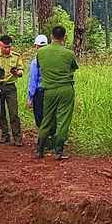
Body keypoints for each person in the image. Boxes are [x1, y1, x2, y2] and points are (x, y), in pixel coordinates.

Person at [34, 25, 78, 161]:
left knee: (47, 118)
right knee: (63, 119)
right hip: (65, 89)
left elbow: (39, 67)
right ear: (64, 38)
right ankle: (58, 152)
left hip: (49, 90)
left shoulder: (41, 53)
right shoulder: (68, 53)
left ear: (51, 36)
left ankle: (39, 151)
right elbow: (73, 68)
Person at [0, 34, 25, 146]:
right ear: (0, 46)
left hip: (10, 87)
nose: (7, 49)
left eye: (9, 47)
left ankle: (17, 138)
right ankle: (4, 135)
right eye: (5, 47)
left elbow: (21, 70)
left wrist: (17, 73)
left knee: (13, 113)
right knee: (0, 112)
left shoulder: (16, 56)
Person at [27, 34, 47, 130]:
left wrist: (30, 98)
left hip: (39, 93)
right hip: (51, 91)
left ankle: (43, 140)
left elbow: (33, 80)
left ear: (36, 47)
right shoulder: (51, 60)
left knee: (40, 117)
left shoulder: (35, 62)